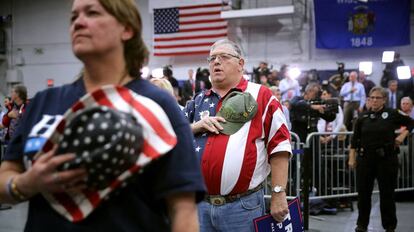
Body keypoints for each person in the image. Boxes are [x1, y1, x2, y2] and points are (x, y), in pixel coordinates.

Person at [0, 0, 205, 231]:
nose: (78, 22)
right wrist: (25, 184)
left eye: (92, 12)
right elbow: (6, 174)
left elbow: (183, 210)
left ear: (127, 29)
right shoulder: (44, 102)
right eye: (73, 17)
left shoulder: (158, 105)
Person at [183, 39, 291, 232]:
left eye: (224, 57)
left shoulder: (262, 96)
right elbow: (173, 135)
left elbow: (280, 146)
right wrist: (195, 127)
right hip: (200, 205)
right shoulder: (198, 100)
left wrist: (278, 193)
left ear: (241, 64)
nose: (216, 62)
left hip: (242, 206)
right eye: (212, 58)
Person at [348, 87, 414, 232]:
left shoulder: (391, 114)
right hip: (365, 159)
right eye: (372, 97)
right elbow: (354, 140)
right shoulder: (362, 117)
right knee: (363, 194)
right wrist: (351, 158)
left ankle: (389, 226)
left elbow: (411, 122)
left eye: (378, 98)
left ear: (384, 100)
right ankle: (362, 225)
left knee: (387, 194)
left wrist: (402, 135)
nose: (374, 100)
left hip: (386, 159)